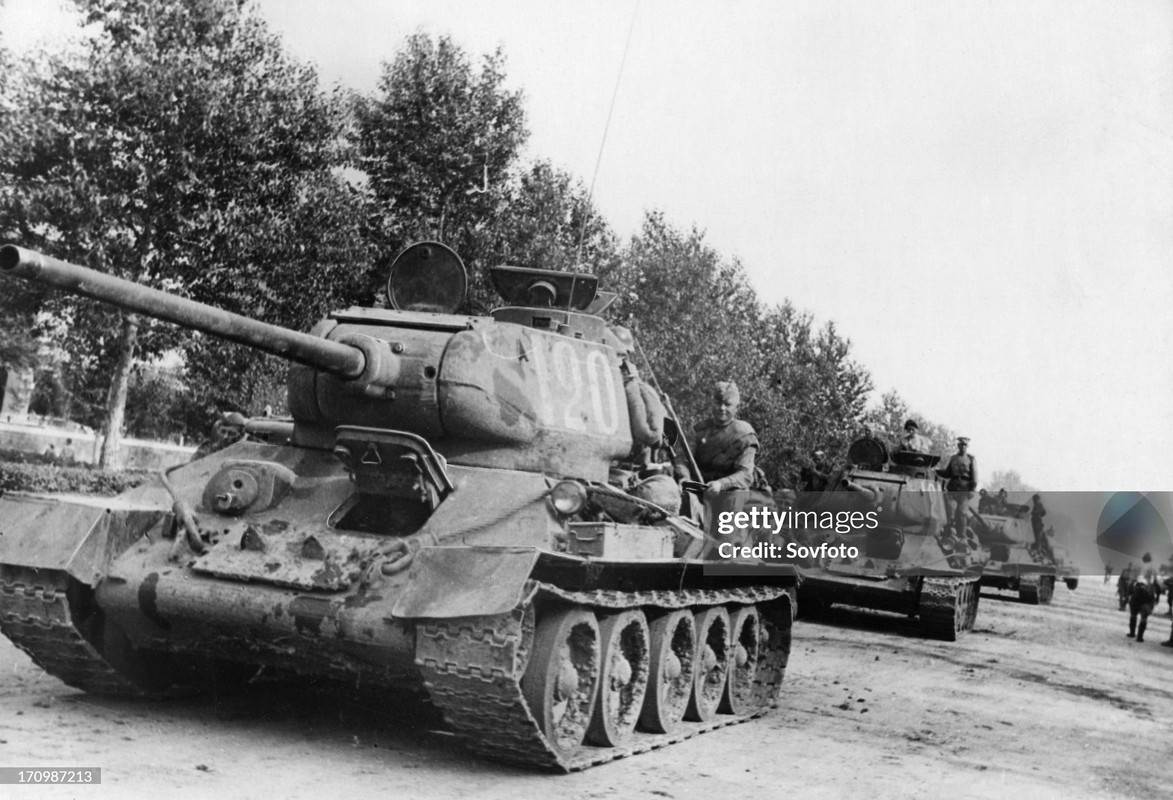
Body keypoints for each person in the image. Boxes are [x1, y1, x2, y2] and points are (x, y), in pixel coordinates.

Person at [680, 381, 767, 496]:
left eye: (727, 404)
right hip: (698, 487)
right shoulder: (699, 430)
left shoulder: (744, 435)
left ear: (737, 407)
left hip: (728, 490)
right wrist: (684, 478)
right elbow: (683, 459)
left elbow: (745, 474)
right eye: (718, 403)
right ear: (712, 404)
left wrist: (721, 484)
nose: (722, 408)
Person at [937, 437, 977, 535]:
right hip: (952, 488)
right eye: (961, 444)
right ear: (958, 446)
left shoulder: (971, 459)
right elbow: (947, 473)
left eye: (965, 445)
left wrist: (973, 489)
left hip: (964, 489)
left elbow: (974, 476)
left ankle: (962, 537)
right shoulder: (953, 458)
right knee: (950, 511)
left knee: (962, 513)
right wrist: (936, 471)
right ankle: (949, 535)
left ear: (967, 446)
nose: (963, 447)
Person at [1127, 553, 1160, 642]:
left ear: (1143, 559)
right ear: (1150, 559)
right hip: (1148, 593)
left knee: (1133, 614)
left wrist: (1129, 593)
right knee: (1144, 617)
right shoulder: (1154, 569)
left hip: (1137, 592)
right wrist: (1157, 597)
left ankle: (1132, 633)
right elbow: (1157, 584)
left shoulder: (1137, 567)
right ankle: (1140, 637)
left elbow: (1131, 581)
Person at [1029, 493, 1054, 561]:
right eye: (1037, 500)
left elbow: (1043, 513)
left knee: (1044, 544)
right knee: (1040, 544)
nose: (1038, 501)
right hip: (1038, 529)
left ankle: (1050, 559)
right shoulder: (1036, 508)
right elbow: (1041, 513)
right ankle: (1048, 559)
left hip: (1040, 529)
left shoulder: (1037, 507)